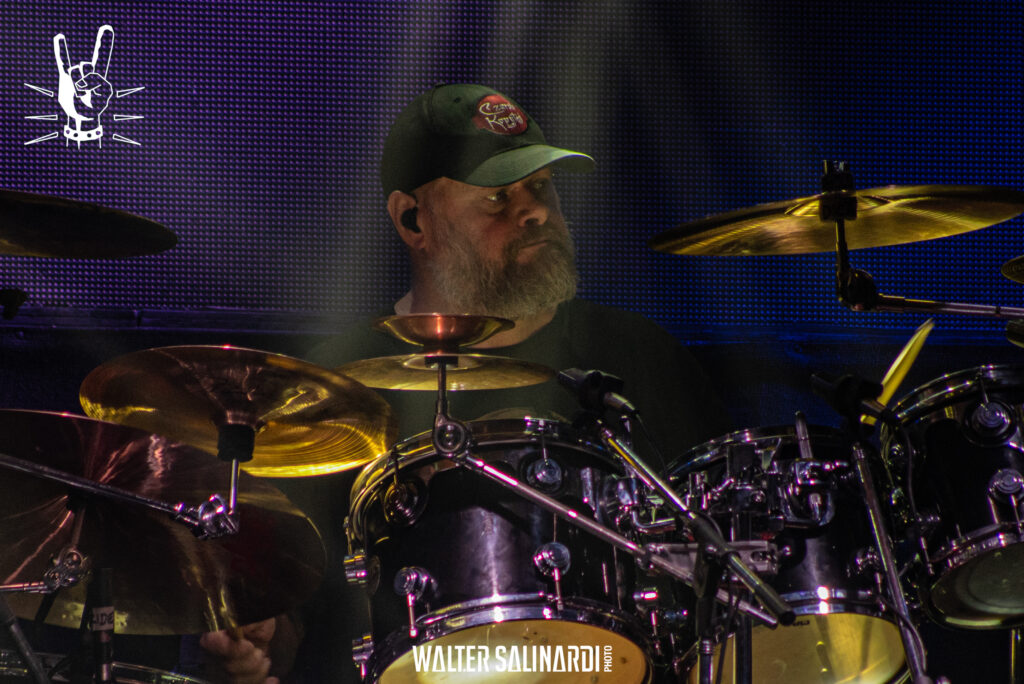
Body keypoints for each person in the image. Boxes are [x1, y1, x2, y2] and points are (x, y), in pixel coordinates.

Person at [199, 83, 733, 683]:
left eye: (541, 187)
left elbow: (724, 562)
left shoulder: (641, 355)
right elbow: (290, 613)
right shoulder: (329, 386)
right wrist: (256, 641)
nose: (533, 211)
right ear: (412, 220)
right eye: (498, 197)